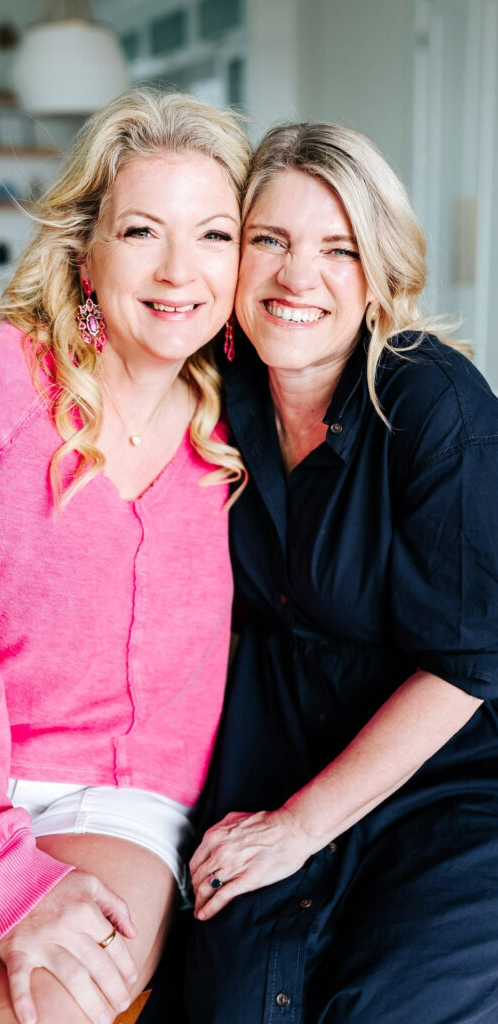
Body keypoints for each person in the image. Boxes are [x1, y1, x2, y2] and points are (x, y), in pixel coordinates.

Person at [0, 87, 251, 1024]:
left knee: (47, 1010)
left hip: (118, 808)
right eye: (143, 230)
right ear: (86, 249)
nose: (179, 269)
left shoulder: (245, 433)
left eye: (215, 235)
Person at [184, 121, 498, 1023]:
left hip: (443, 775)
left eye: (338, 248)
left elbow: (467, 664)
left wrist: (301, 828)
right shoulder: (209, 387)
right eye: (269, 241)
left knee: (392, 1006)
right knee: (236, 1007)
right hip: (269, 757)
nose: (296, 277)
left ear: (378, 274)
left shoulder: (435, 405)